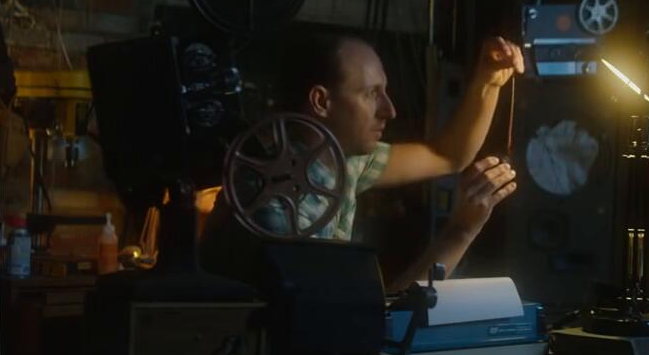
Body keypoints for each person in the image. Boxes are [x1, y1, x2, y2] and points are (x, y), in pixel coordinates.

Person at [201, 31, 524, 292]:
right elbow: (362, 328)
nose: (389, 110)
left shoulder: (345, 160)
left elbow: (448, 155)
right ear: (321, 101)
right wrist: (462, 232)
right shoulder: (277, 211)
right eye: (371, 93)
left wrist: (487, 81)